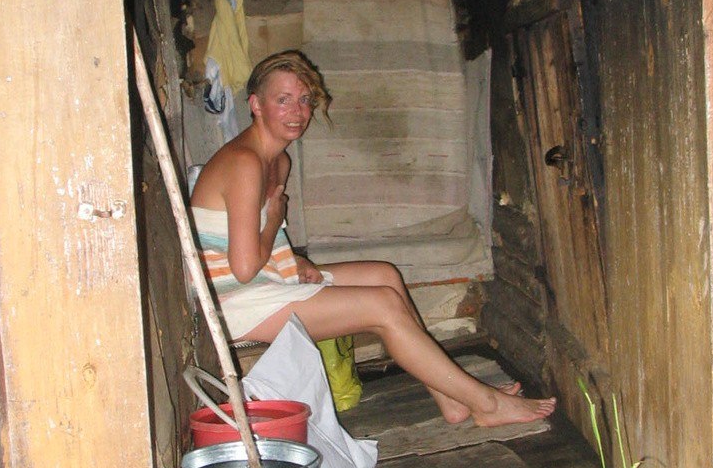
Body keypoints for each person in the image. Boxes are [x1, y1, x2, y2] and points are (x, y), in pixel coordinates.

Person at [190, 50, 556, 427]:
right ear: (256, 104)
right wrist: (275, 223)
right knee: (382, 305)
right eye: (282, 100)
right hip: (232, 301)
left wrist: (292, 258)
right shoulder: (245, 162)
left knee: (383, 275)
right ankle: (486, 405)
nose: (297, 112)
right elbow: (245, 266)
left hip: (265, 280)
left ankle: (450, 398)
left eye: (304, 100)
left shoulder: (278, 160)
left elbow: (248, 238)